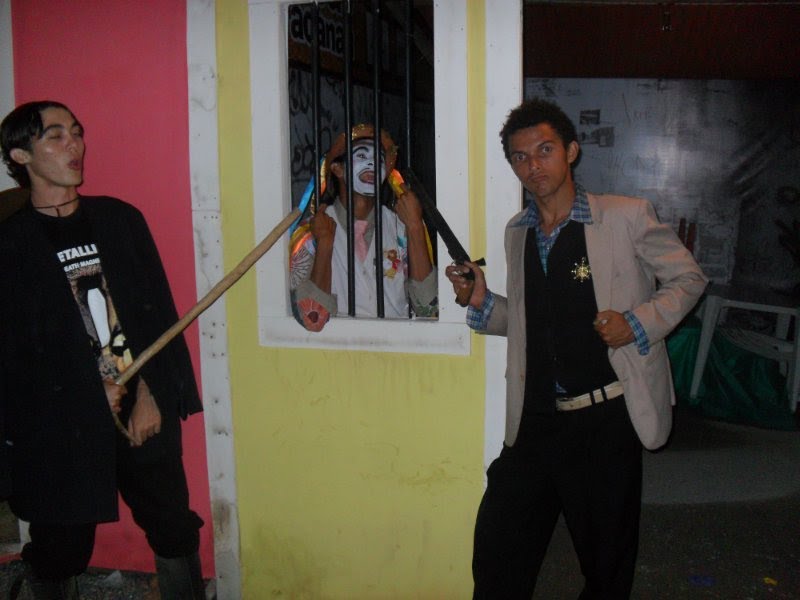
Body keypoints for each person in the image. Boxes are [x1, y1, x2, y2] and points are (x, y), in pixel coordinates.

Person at [446, 98, 707, 599]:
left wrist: (636, 323)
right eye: (520, 157)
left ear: (571, 151)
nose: (533, 165)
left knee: (606, 566)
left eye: (544, 150)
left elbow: (688, 278)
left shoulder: (626, 217)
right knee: (499, 554)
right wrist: (482, 302)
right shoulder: (518, 232)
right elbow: (530, 321)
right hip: (535, 419)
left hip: (604, 420)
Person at [0, 100, 205, 599]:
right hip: (59, 421)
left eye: (76, 132)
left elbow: (158, 316)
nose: (75, 144)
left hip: (139, 403)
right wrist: (85, 395)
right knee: (60, 545)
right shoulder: (11, 244)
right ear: (20, 155)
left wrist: (151, 393)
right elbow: (14, 356)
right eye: (55, 135)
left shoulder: (119, 220)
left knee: (172, 523)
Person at [289, 123, 438, 331]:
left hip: (399, 348)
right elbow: (312, 320)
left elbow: (429, 309)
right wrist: (324, 243)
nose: (372, 164)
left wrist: (415, 226)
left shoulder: (402, 226)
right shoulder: (310, 234)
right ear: (337, 169)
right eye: (361, 155)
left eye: (379, 158)